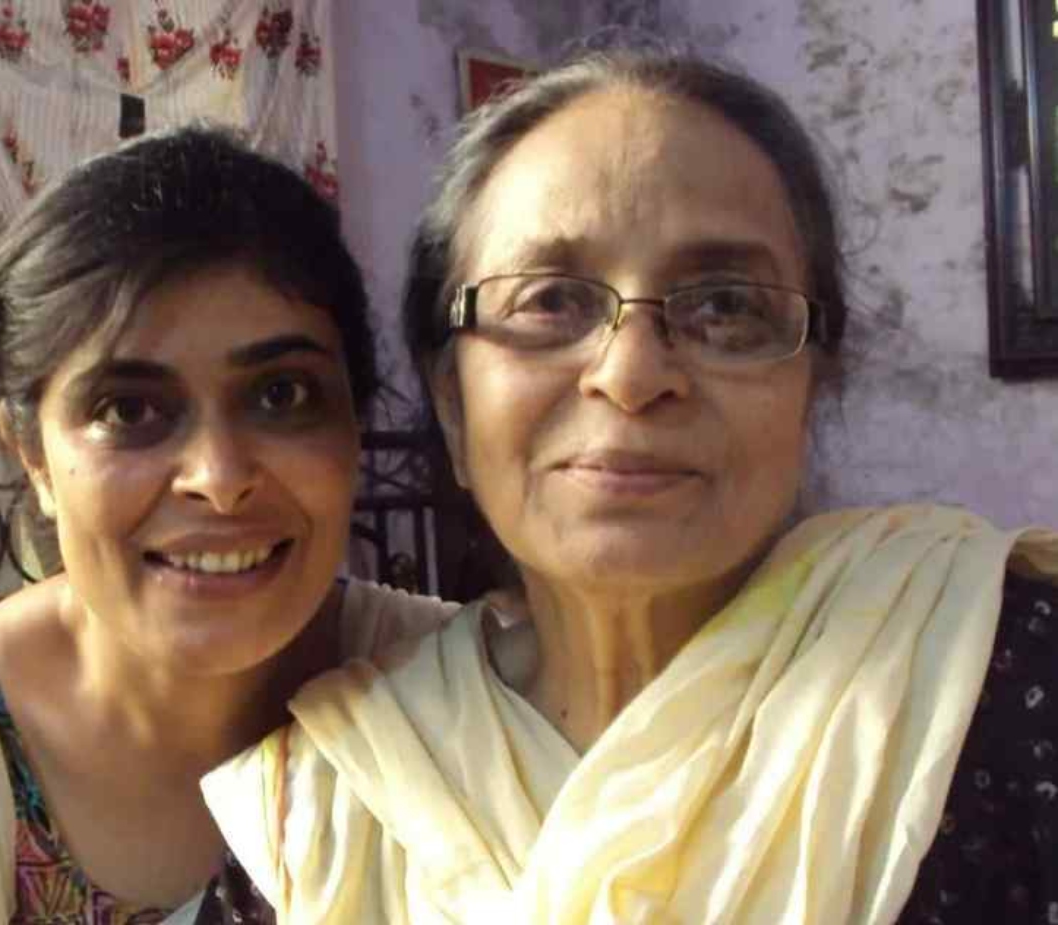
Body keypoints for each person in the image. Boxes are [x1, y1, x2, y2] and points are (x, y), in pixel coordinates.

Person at [202, 50, 1058, 924]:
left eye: (726, 306)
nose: (632, 374)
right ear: (453, 405)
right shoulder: (322, 817)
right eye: (549, 301)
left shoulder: (994, 674)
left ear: (812, 386)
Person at [0, 124, 453, 923]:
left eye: (282, 394)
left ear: (354, 423)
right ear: (32, 456)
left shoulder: (459, 696)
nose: (220, 478)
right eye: (128, 409)